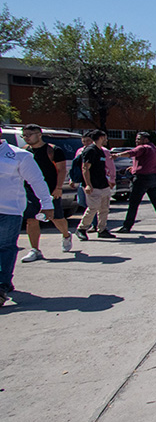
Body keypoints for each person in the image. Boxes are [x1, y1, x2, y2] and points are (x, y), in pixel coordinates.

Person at [0, 126, 54, 307]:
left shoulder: (19, 156)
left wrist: (47, 203)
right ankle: (4, 279)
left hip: (9, 211)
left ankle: (2, 285)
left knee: (5, 247)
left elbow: (37, 180)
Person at [19, 124, 73, 261]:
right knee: (31, 219)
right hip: (30, 191)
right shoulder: (24, 151)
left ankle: (66, 235)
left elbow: (61, 170)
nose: (26, 138)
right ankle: (35, 250)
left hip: (50, 190)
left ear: (39, 134)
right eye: (24, 135)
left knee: (56, 218)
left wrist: (58, 188)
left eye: (29, 135)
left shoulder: (53, 150)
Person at [114, 132, 156, 233]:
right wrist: (133, 168)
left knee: (133, 203)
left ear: (146, 140)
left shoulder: (143, 148)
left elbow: (131, 153)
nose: (136, 141)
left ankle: (127, 226)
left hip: (142, 178)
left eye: (139, 139)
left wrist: (117, 155)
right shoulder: (155, 149)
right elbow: (147, 163)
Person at [75, 130, 115, 240]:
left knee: (104, 208)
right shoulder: (90, 150)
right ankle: (81, 229)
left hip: (103, 184)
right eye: (105, 137)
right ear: (101, 137)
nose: (106, 139)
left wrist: (110, 180)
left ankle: (102, 229)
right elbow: (85, 168)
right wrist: (88, 184)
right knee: (93, 208)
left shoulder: (101, 150)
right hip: (93, 185)